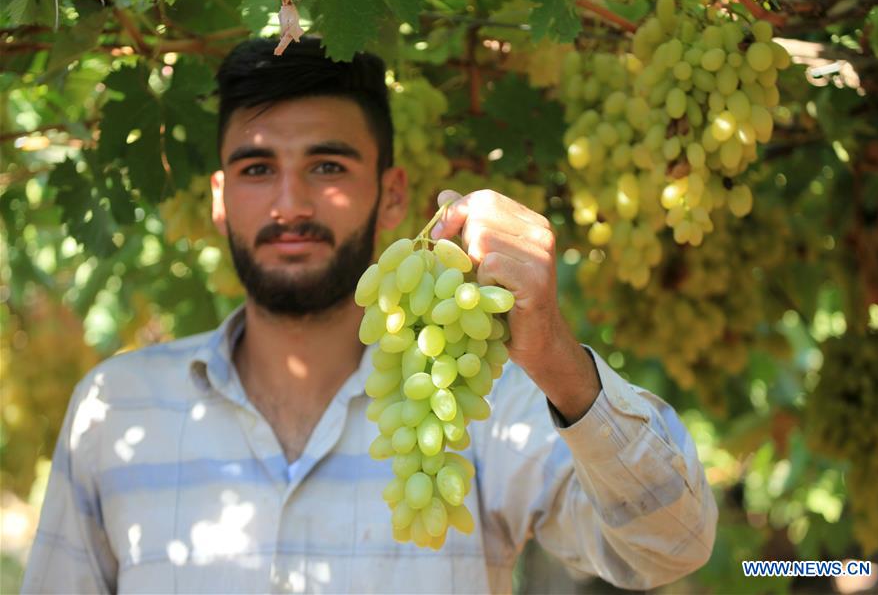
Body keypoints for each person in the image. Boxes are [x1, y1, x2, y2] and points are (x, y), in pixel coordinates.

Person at [22, 37, 717, 594]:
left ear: (392, 196)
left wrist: (556, 356)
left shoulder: (482, 407)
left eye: (327, 167)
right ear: (219, 197)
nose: (290, 203)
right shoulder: (115, 413)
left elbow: (671, 547)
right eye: (257, 169)